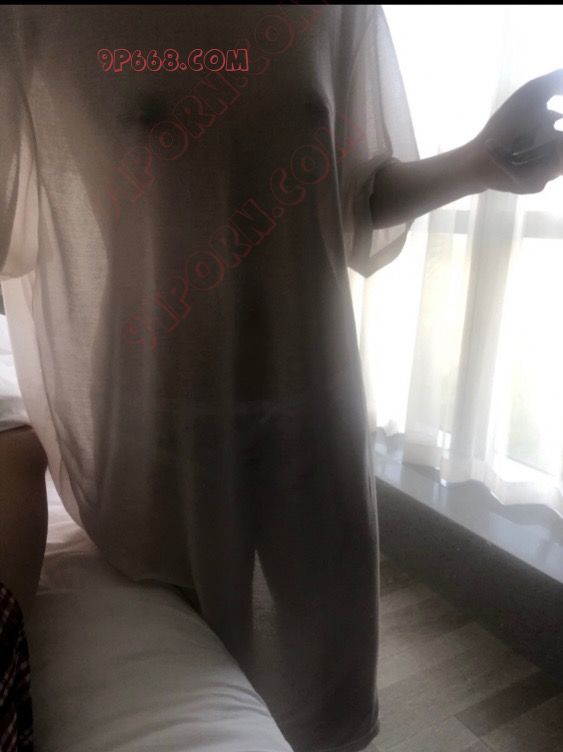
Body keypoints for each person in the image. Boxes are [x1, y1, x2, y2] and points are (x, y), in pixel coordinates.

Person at [1, 5, 563, 751]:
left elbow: (356, 196)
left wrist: (480, 162)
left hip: (313, 386)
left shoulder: (338, 12)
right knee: (184, 646)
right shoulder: (34, 19)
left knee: (324, 652)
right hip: (152, 395)